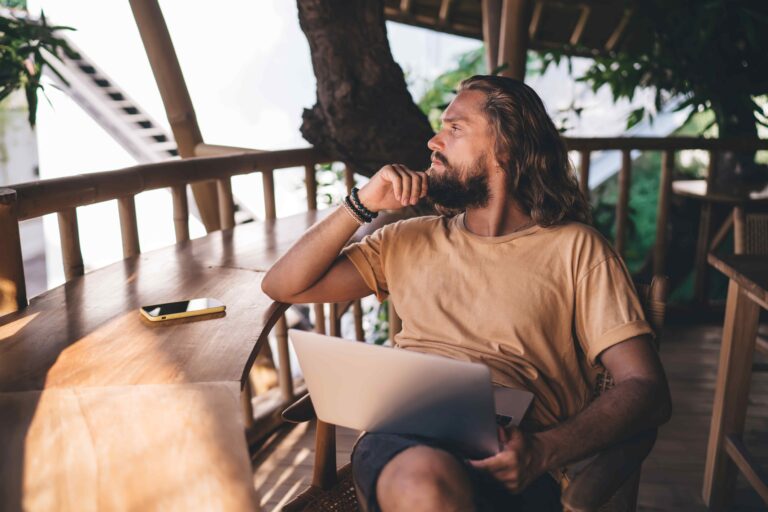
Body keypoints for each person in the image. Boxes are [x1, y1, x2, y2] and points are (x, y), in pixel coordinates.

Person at [262, 75, 672, 512]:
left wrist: (544, 450)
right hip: (404, 439)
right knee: (423, 482)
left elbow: (645, 386)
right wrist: (362, 203)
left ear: (506, 148)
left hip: (515, 456)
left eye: (455, 128)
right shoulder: (406, 239)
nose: (433, 141)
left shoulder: (576, 248)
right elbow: (284, 285)